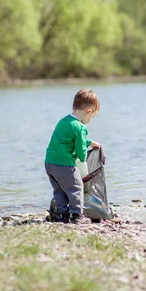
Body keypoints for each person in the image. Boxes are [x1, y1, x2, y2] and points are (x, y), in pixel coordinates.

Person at [45, 89, 101, 224]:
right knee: (76, 187)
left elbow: (68, 139)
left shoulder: (64, 121)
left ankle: (63, 215)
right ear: (88, 111)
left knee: (59, 191)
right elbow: (81, 150)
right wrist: (82, 159)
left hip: (50, 163)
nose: (91, 120)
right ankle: (77, 215)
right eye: (92, 116)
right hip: (65, 165)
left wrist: (89, 142)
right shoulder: (80, 127)